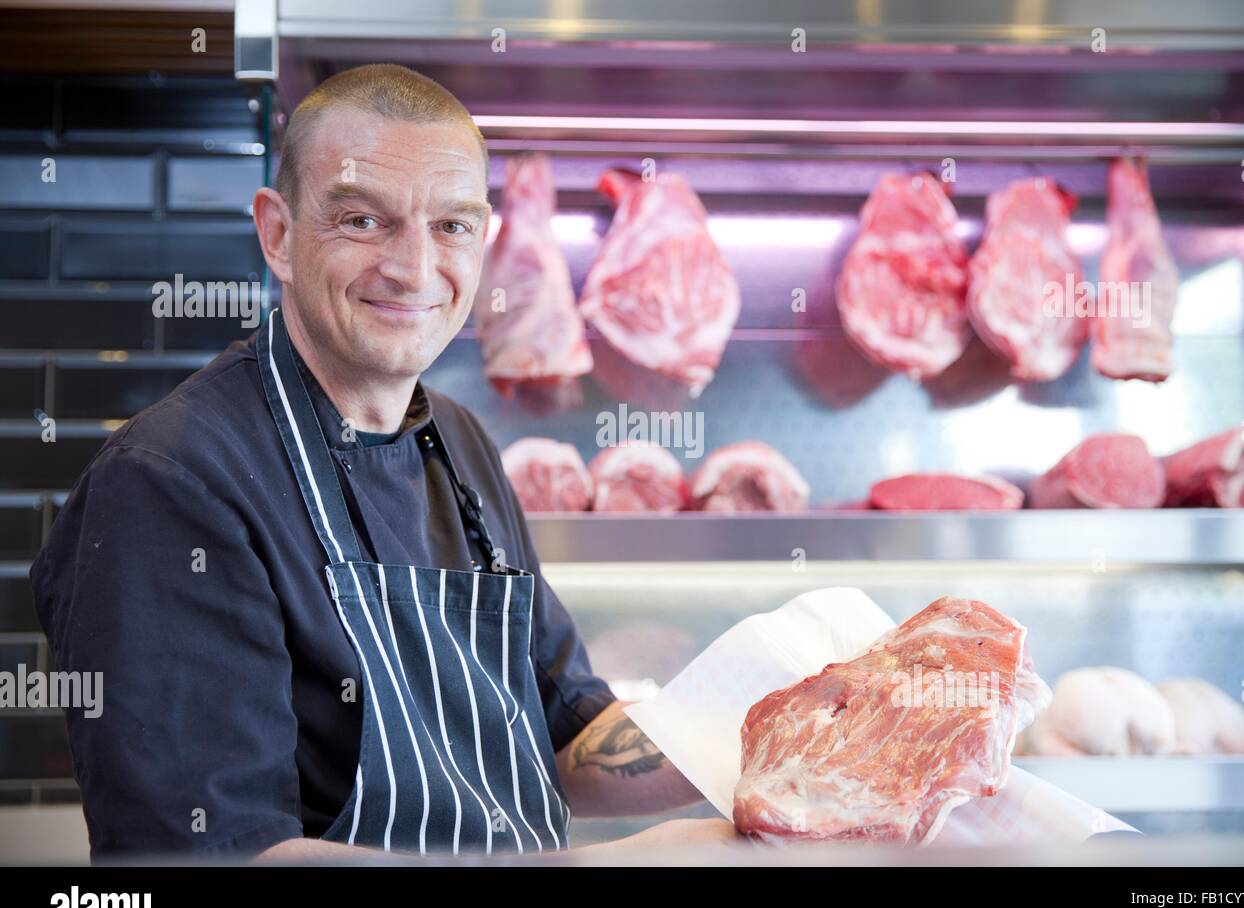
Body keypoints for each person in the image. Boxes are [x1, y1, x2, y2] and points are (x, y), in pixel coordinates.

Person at [30, 63, 736, 861]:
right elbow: (221, 855)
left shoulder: (459, 441)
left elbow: (566, 732)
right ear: (279, 234)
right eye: (363, 221)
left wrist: (782, 731)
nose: (413, 268)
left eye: (453, 226)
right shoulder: (170, 483)